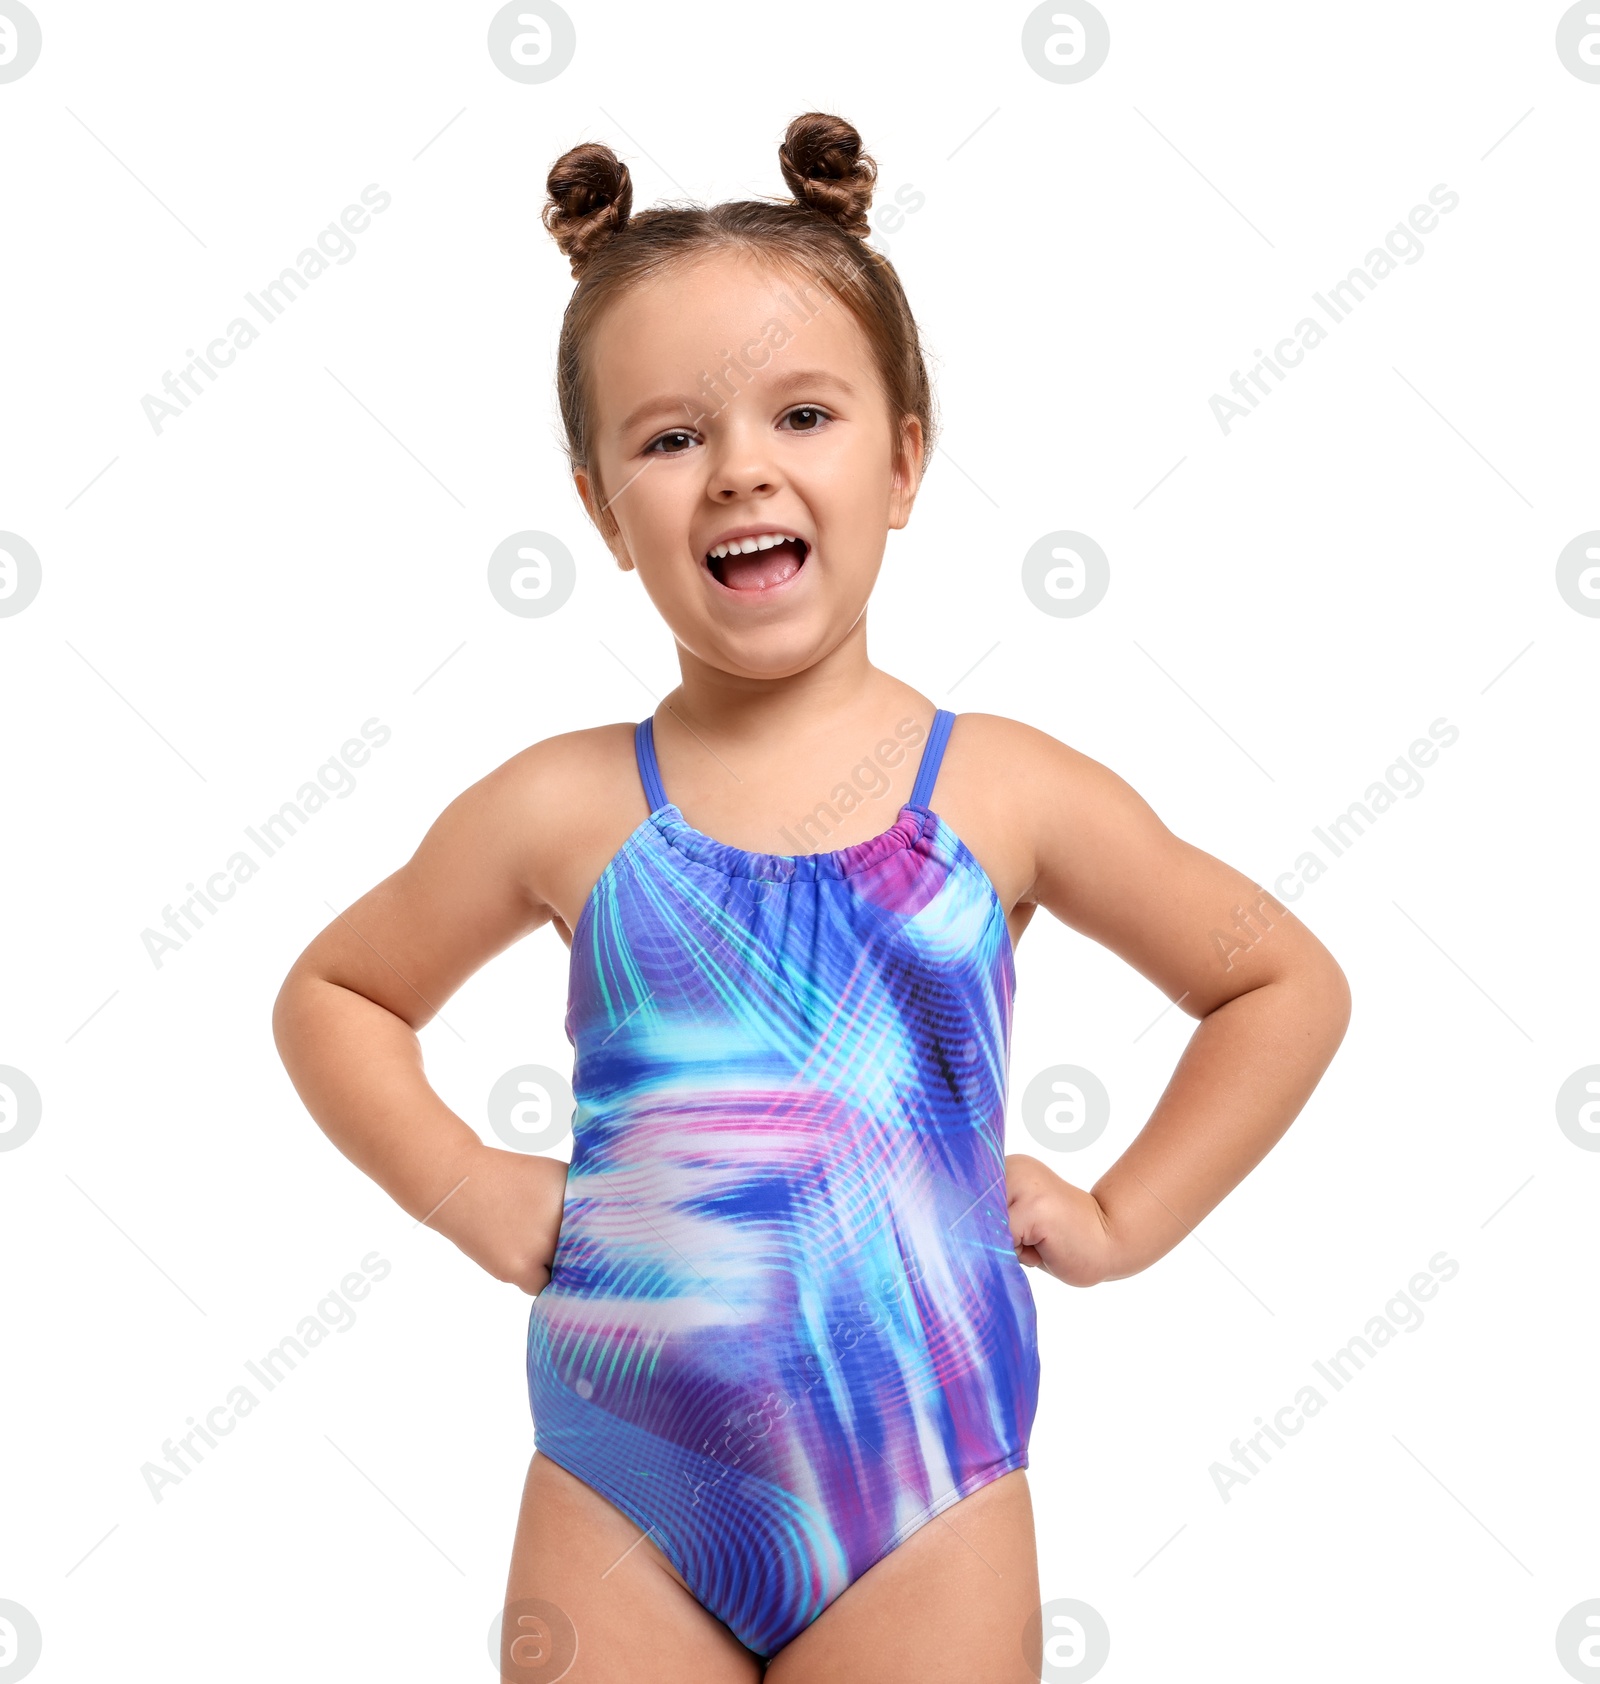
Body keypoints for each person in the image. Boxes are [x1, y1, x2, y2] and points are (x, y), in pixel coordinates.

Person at [271, 110, 1351, 1683]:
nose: (740, 472)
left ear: (905, 458)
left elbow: (1279, 982)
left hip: (926, 1487)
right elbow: (335, 994)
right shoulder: (562, 804)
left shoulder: (1003, 790)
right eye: (669, 437)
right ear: (598, 505)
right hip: (621, 1486)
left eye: (803, 414)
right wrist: (467, 1183)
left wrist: (1123, 1216)